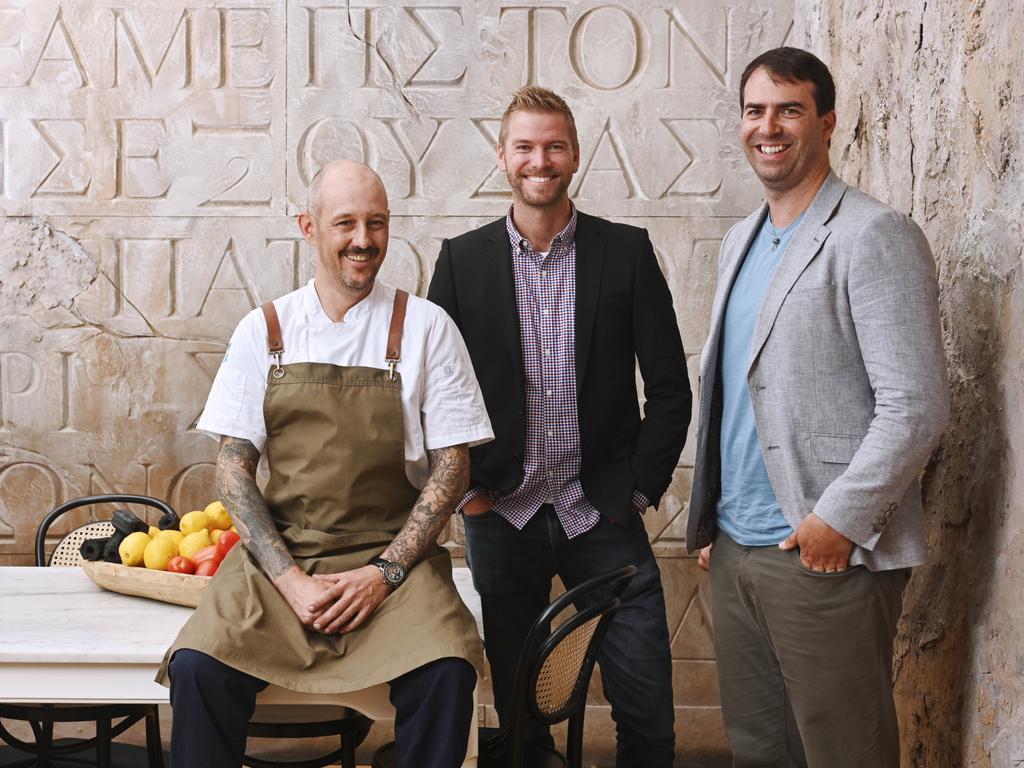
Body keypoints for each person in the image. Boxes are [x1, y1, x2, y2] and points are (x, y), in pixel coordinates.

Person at [157, 160, 494, 768]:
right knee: (199, 669)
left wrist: (383, 573)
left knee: (447, 674)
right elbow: (233, 469)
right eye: (345, 223)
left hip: (393, 560)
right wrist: (289, 578)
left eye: (377, 223)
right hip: (282, 555)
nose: (363, 240)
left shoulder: (426, 327)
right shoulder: (265, 330)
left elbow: (453, 471)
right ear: (308, 228)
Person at [686, 47, 950, 766]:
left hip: (827, 557)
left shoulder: (873, 234)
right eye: (754, 110)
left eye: (789, 109)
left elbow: (916, 405)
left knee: (843, 753)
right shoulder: (740, 240)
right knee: (759, 750)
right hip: (737, 550)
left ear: (826, 123)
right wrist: (712, 516)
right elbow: (733, 396)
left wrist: (836, 521)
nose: (768, 127)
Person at [427, 86, 691, 767]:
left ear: (573, 154)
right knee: (521, 723)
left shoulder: (625, 252)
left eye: (553, 146)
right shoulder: (463, 259)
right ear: (502, 157)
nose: (539, 160)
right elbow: (432, 392)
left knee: (647, 713)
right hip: (501, 516)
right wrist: (467, 497)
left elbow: (668, 388)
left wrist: (635, 492)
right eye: (525, 146)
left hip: (600, 513)